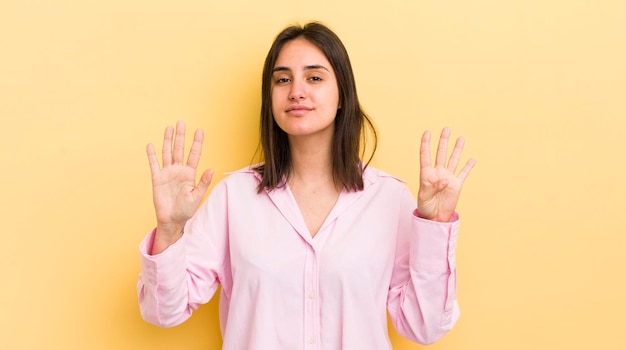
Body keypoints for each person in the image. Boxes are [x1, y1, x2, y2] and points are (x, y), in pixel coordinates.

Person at [137, 22, 475, 349]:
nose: (296, 91)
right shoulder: (233, 198)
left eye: (314, 77)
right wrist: (169, 230)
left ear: (343, 93)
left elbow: (424, 327)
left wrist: (435, 226)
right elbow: (163, 312)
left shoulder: (389, 200)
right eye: (283, 79)